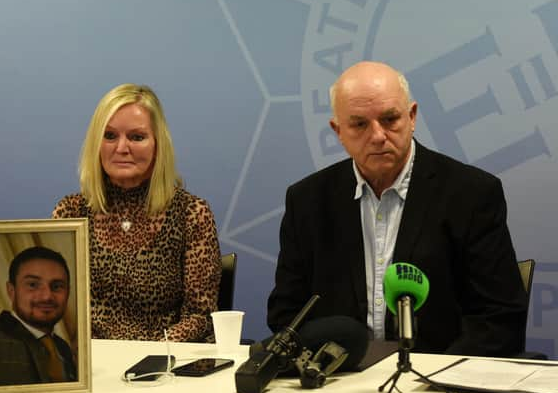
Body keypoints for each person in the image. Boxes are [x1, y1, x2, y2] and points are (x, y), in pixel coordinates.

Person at [267, 61, 527, 357]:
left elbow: (499, 318)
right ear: (338, 131)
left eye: (390, 119)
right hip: (337, 380)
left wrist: (436, 377)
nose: (378, 135)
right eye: (360, 124)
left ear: (412, 116)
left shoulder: (471, 194)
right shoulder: (307, 200)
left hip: (438, 380)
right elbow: (286, 315)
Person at [52, 83, 221, 342]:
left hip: (164, 367)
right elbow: (56, 310)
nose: (121, 148)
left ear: (157, 145)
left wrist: (150, 356)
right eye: (109, 136)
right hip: (90, 367)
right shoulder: (70, 213)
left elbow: (200, 316)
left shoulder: (192, 214)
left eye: (136, 137)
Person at [0, 246, 77, 387]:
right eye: (33, 285)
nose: (47, 296)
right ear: (11, 291)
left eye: (57, 286)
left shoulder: (63, 348)